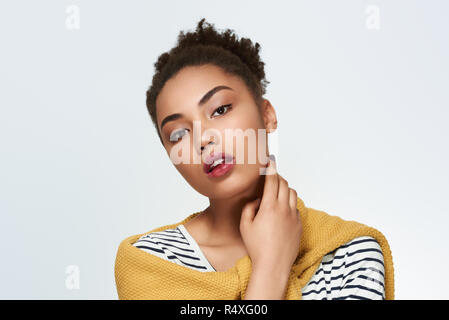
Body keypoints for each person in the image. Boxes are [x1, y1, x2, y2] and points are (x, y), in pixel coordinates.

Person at [114, 18, 394, 300]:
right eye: (178, 135)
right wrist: (270, 266)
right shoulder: (151, 262)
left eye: (220, 109)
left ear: (267, 115)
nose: (203, 139)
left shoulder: (350, 253)